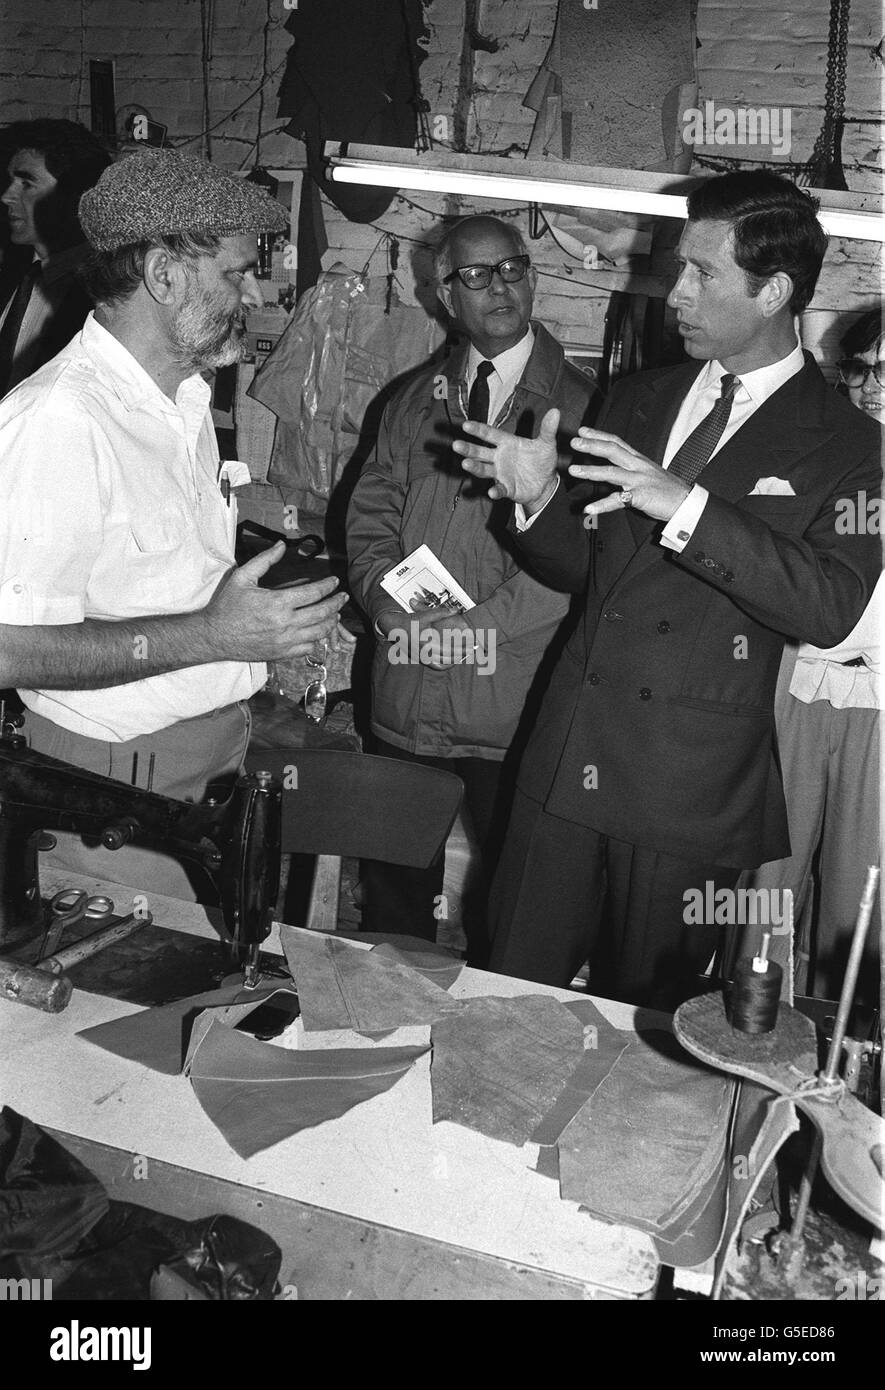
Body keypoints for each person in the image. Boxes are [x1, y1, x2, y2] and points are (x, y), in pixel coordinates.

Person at [453, 171, 882, 1009]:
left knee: (647, 1035)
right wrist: (536, 500)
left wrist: (686, 506)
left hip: (689, 789)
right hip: (567, 755)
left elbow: (829, 609)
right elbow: (591, 574)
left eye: (701, 274)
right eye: (677, 267)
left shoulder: (853, 445)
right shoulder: (637, 396)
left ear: (775, 293)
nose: (673, 292)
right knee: (503, 1002)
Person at [0, 148, 349, 899]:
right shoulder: (59, 419)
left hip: (210, 760)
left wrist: (259, 629)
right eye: (234, 272)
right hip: (110, 779)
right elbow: (7, 650)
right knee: (116, 1001)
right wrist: (215, 636)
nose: (253, 291)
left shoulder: (184, 398)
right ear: (163, 276)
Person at [347, 215, 599, 961]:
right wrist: (383, 601)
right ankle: (385, 1039)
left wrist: (469, 634)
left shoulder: (585, 410)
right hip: (402, 696)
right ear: (443, 294)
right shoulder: (410, 400)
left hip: (511, 706)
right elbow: (369, 515)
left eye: (513, 268)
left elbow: (577, 564)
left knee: (515, 908)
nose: (501, 287)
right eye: (476, 275)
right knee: (392, 898)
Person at [735, 308, 882, 1006]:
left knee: (859, 902)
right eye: (861, 369)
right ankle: (744, 1029)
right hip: (793, 686)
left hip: (878, 708)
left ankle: (844, 1055)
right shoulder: (823, 451)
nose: (871, 387)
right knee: (767, 881)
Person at [0, 119, 111, 397]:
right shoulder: (12, 275)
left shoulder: (106, 294)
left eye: (26, 183)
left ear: (76, 195)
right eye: (10, 181)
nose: (6, 197)